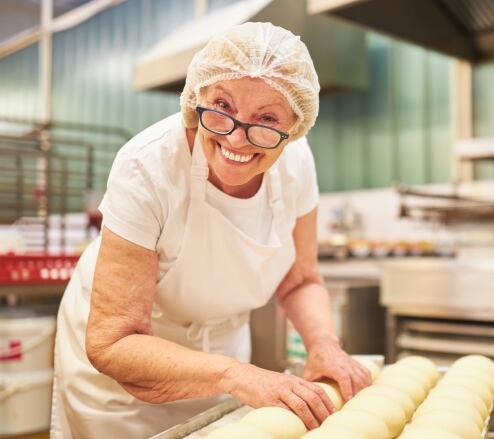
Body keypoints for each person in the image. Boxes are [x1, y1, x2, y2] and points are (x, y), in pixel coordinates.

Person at [50, 22, 371, 438]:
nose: (236, 138)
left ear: (294, 128)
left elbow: (301, 279)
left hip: (225, 361)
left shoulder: (296, 164)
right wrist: (237, 376)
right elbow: (114, 342)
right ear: (196, 97)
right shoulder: (146, 168)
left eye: (267, 119)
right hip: (125, 387)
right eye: (222, 106)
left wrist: (324, 344)